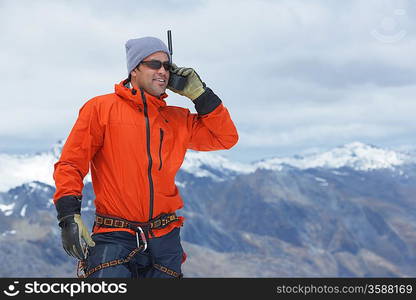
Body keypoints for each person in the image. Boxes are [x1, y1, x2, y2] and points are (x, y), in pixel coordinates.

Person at [53, 36, 238, 278]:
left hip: (165, 241)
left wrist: (200, 95)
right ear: (134, 69)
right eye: (154, 64)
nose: (163, 71)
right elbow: (71, 164)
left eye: (167, 66)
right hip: (113, 237)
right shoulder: (100, 109)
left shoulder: (177, 118)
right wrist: (68, 214)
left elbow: (225, 137)